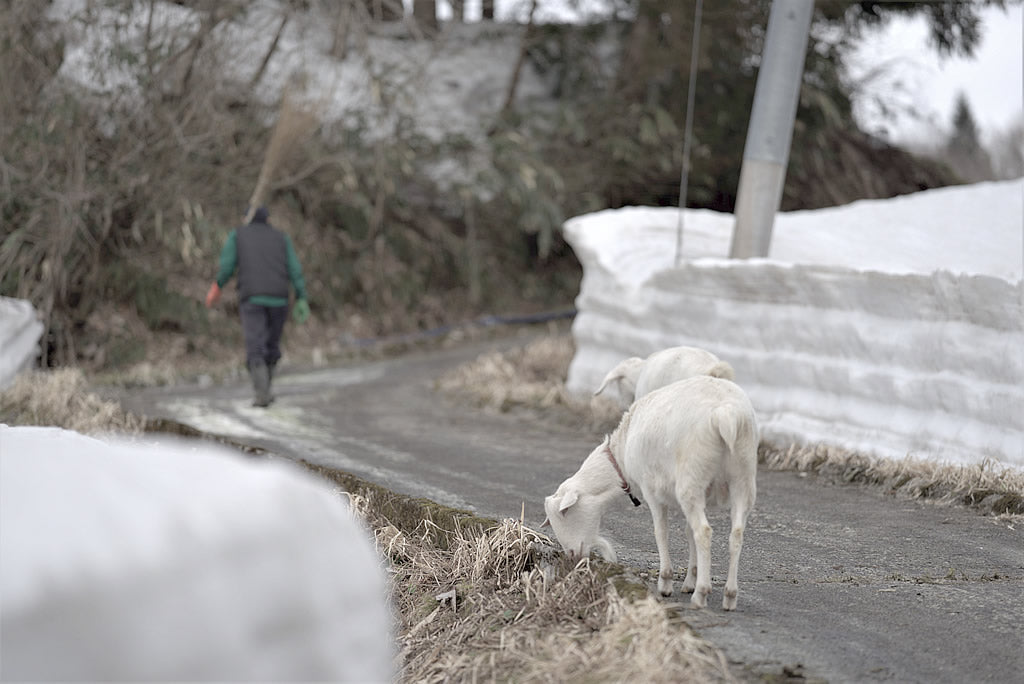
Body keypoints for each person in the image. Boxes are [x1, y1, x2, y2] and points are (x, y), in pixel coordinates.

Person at [205, 206, 310, 407]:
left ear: (246, 218)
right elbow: (295, 268)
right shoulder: (281, 237)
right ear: (268, 219)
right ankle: (266, 390)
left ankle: (262, 393)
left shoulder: (238, 235)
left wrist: (217, 287)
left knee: (255, 344)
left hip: (252, 298)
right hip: (279, 299)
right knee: (272, 345)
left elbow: (227, 266)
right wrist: (301, 296)